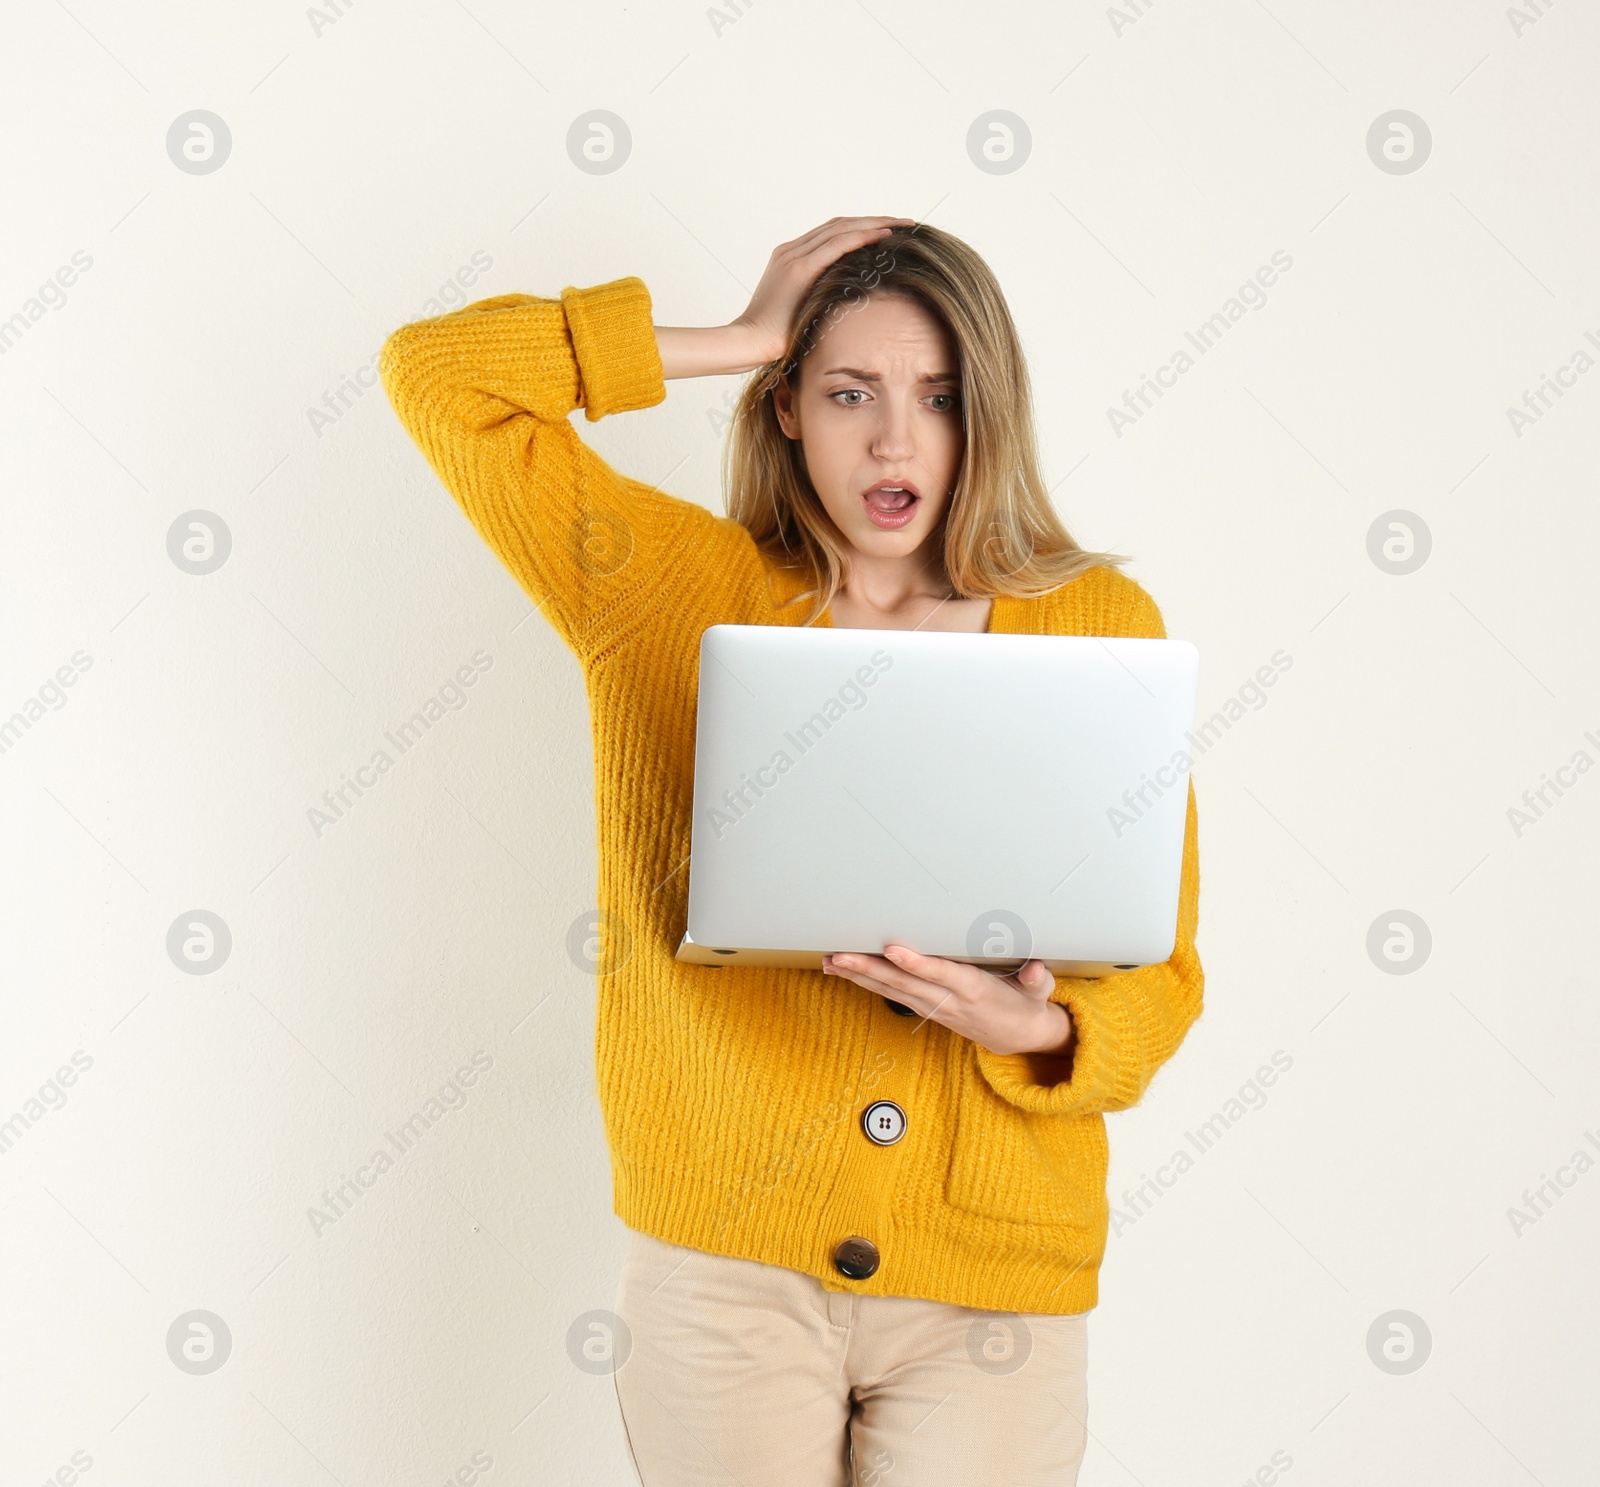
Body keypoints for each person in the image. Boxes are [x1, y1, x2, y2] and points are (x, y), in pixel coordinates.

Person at [379, 215, 1204, 1487]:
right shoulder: (667, 586)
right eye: (846, 391)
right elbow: (439, 375)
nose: (893, 439)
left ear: (989, 412)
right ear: (784, 412)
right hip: (725, 1268)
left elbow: (1160, 973)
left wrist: (1032, 1031)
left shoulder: (1097, 622)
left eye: (938, 396)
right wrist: (740, 332)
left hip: (992, 1278)